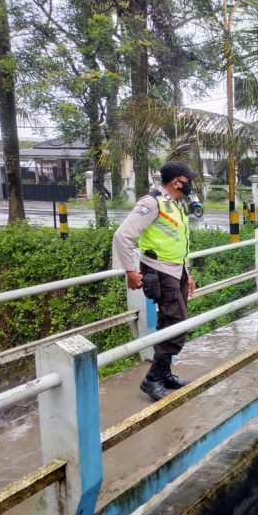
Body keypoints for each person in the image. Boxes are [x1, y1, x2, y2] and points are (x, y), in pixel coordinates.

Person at [112, 160, 197, 401]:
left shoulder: (177, 204)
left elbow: (181, 240)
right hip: (159, 271)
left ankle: (165, 373)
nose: (190, 183)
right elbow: (122, 236)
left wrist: (187, 272)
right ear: (176, 182)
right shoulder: (152, 203)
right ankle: (153, 379)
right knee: (178, 324)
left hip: (176, 270)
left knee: (167, 323)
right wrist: (130, 270)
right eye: (188, 179)